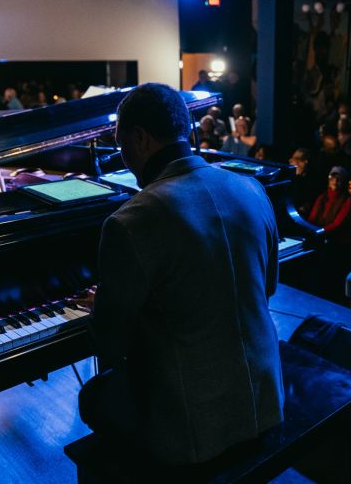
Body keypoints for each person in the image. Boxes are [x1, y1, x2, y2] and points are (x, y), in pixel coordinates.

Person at [77, 83, 283, 465]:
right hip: (265, 398)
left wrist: (103, 305)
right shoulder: (252, 189)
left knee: (92, 398)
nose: (122, 156)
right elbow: (267, 288)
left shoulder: (130, 221)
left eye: (121, 144)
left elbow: (111, 341)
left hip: (193, 428)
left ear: (140, 138)